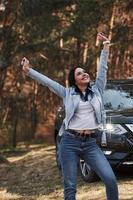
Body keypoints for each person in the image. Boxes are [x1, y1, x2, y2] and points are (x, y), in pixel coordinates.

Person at [20, 32, 118, 200]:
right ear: (74, 80)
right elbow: (47, 82)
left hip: (90, 143)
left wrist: (106, 46)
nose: (85, 74)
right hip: (70, 142)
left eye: (85, 72)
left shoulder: (97, 91)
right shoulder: (67, 93)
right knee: (70, 187)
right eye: (80, 73)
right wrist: (29, 71)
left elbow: (102, 70)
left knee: (110, 179)